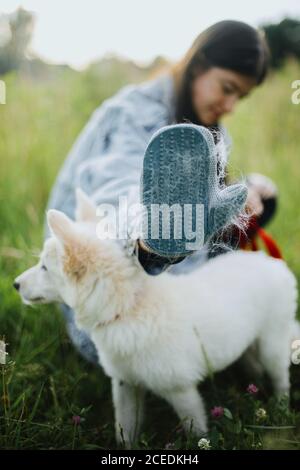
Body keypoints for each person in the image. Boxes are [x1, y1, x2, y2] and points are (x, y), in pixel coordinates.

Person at [46, 20, 276, 364]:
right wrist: (146, 232)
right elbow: (117, 184)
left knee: (265, 193)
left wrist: (246, 193)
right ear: (197, 65)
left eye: (240, 97)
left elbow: (200, 197)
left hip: (168, 287)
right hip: (104, 311)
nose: (231, 105)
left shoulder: (209, 127)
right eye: (227, 88)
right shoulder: (137, 113)